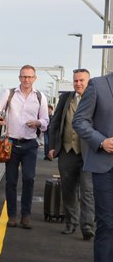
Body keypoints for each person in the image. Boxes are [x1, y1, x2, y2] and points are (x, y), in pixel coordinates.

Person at [0, 67, 49, 228]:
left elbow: (45, 120)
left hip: (30, 144)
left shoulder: (40, 97)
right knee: (11, 181)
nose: (26, 80)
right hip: (11, 144)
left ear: (35, 78)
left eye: (29, 77)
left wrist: (38, 123)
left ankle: (26, 215)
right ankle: (12, 216)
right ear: (19, 77)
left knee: (29, 178)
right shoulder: (9, 94)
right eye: (23, 77)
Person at [71, 72, 113, 262]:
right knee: (107, 223)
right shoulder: (98, 85)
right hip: (105, 166)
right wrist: (101, 141)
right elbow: (79, 121)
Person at [47, 69, 95, 239]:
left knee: (87, 190)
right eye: (75, 81)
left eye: (82, 80)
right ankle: (71, 223)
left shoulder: (95, 99)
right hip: (67, 151)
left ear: (88, 82)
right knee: (68, 190)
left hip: (88, 153)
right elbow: (54, 124)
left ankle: (88, 226)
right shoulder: (66, 98)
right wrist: (51, 147)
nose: (78, 84)